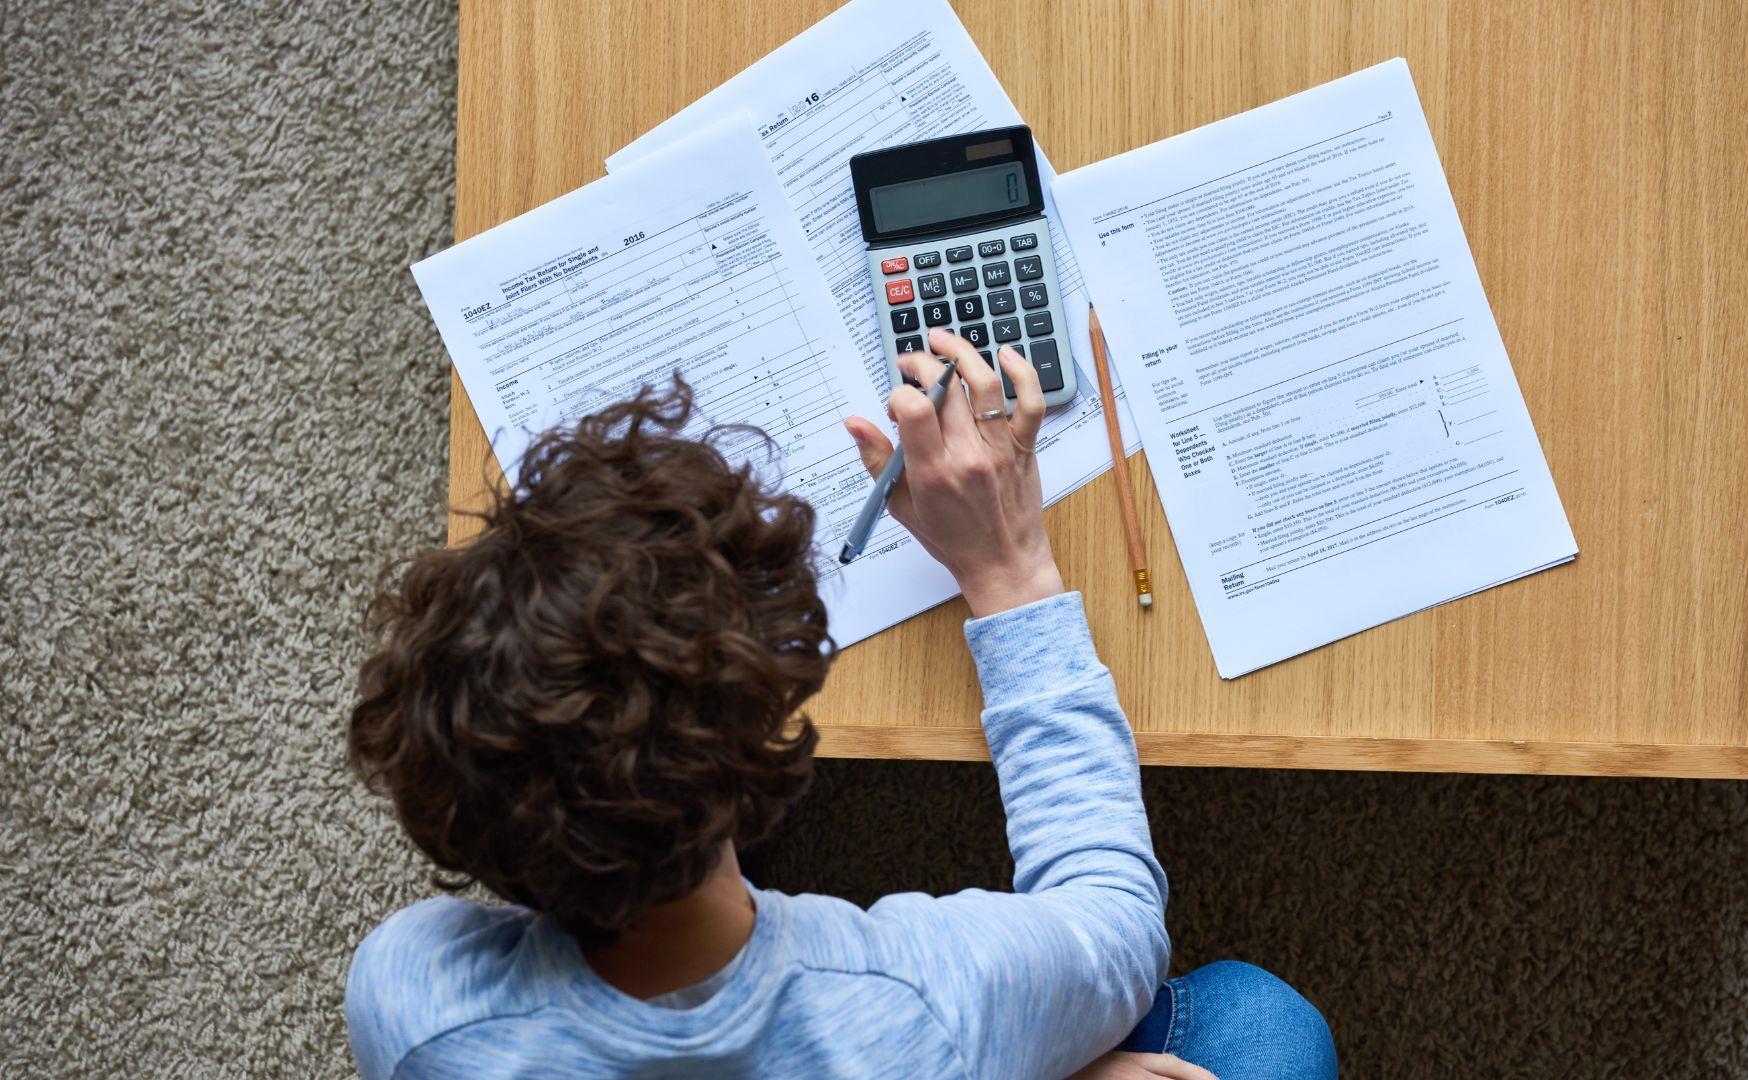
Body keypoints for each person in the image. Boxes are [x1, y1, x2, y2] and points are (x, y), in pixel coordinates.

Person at [344, 330, 1335, 1079]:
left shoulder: (418, 1001)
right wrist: (1011, 572)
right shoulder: (927, 1003)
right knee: (1264, 1026)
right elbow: (1115, 924)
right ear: (759, 744)